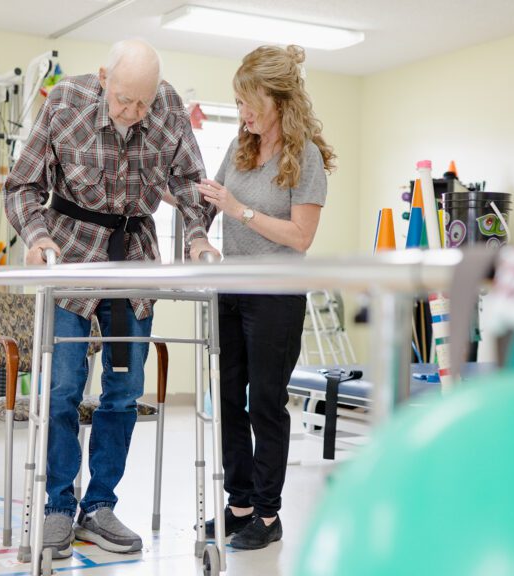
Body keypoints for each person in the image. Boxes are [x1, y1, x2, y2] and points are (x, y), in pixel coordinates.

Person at [5, 39, 219, 559]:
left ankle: (99, 507)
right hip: (71, 252)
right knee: (61, 389)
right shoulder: (64, 102)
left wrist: (195, 236)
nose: (134, 112)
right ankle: (58, 507)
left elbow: (192, 185)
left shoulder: (166, 109)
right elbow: (21, 186)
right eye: (125, 100)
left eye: (144, 103)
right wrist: (37, 238)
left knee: (123, 392)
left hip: (133, 255)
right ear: (103, 78)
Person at [198, 44, 335, 550]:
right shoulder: (239, 150)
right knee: (230, 400)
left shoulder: (307, 158)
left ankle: (270, 516)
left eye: (249, 102)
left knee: (266, 404)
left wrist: (240, 212)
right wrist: (188, 214)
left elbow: (301, 236)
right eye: (237, 103)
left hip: (275, 296)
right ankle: (240, 506)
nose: (243, 113)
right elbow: (210, 201)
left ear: (279, 100)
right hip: (230, 291)